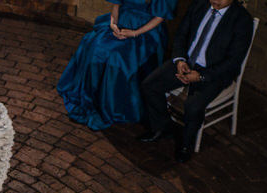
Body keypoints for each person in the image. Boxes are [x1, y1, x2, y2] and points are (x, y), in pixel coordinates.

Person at [137, 0, 254, 162]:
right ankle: (162, 127)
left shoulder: (242, 20)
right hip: (186, 62)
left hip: (213, 72)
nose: (216, 0)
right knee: (149, 85)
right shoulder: (199, 5)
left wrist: (201, 76)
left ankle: (185, 145)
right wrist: (179, 60)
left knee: (193, 106)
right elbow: (181, 34)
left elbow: (233, 61)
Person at [56, 0, 177, 132]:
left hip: (146, 30)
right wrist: (113, 24)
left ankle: (110, 106)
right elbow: (116, 5)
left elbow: (159, 17)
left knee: (116, 57)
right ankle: (91, 96)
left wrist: (134, 33)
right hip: (121, 20)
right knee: (94, 47)